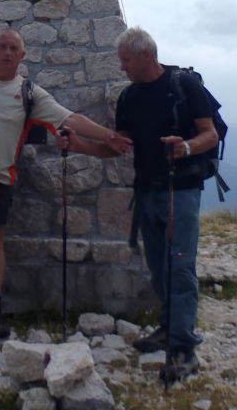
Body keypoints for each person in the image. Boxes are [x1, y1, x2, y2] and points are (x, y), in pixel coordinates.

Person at [0, 28, 131, 346]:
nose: (6, 52)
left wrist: (107, 136)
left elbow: (70, 119)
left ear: (22, 55)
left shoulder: (30, 93)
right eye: (2, 46)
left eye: (13, 48)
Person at [60, 27, 218, 381]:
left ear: (146, 56)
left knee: (179, 266)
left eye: (125, 60)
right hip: (147, 189)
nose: (121, 67)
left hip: (183, 190)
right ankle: (169, 328)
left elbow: (210, 134)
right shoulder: (129, 98)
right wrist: (79, 145)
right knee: (159, 267)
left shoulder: (184, 86)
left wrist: (187, 147)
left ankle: (182, 348)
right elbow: (118, 146)